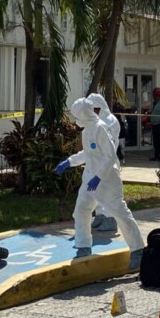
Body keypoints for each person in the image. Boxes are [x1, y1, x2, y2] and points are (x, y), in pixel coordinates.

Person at [55, 98, 145, 270]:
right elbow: (87, 154)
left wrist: (98, 177)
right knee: (81, 210)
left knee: (120, 213)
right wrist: (69, 161)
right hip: (90, 181)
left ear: (84, 114)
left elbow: (110, 156)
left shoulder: (101, 128)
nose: (75, 119)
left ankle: (138, 250)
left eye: (77, 115)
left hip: (107, 182)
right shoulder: (87, 130)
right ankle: (83, 246)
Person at [87, 92, 120, 233]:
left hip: (108, 162)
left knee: (109, 192)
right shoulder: (95, 122)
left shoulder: (110, 121)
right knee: (98, 192)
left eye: (95, 109)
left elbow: (107, 145)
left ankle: (111, 218)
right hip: (97, 162)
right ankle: (100, 215)